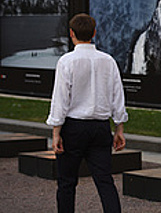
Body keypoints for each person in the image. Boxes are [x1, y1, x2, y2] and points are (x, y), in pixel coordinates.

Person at [46, 13, 128, 213]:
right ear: (94, 33)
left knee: (66, 183)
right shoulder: (108, 61)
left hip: (73, 128)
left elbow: (61, 99)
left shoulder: (67, 61)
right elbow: (117, 96)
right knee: (105, 181)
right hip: (100, 128)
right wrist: (119, 128)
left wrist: (56, 132)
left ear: (71, 33)